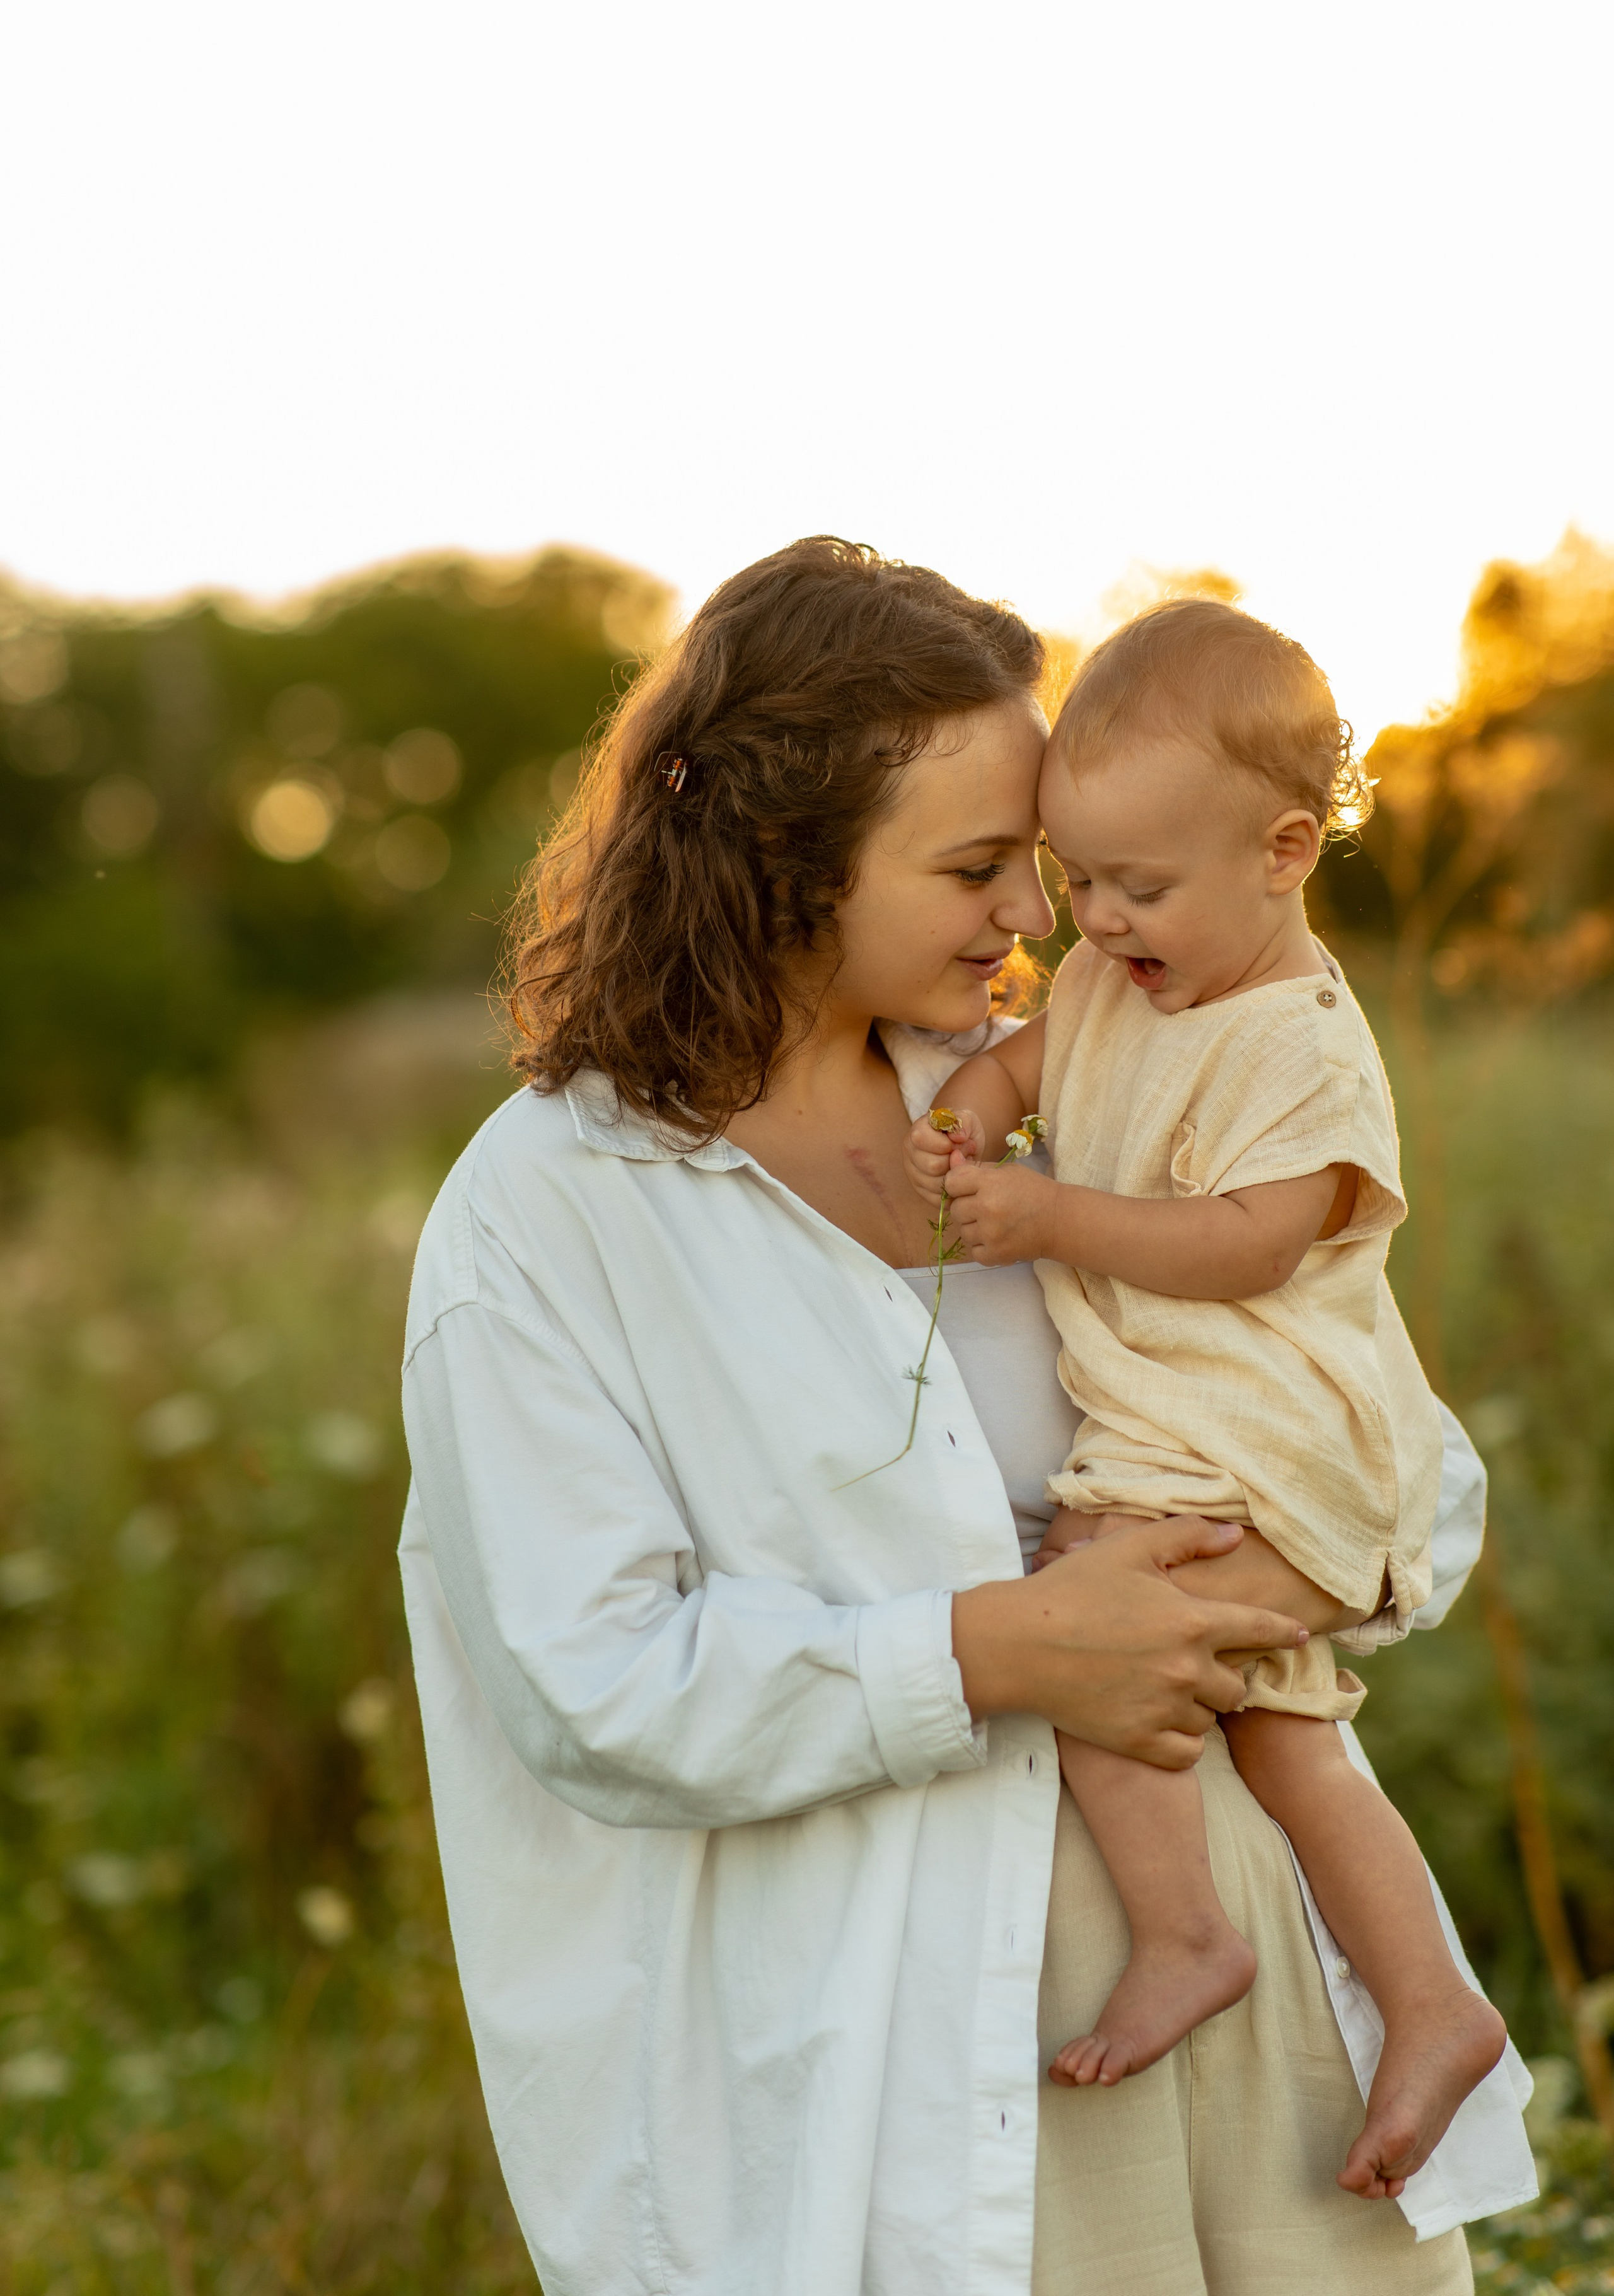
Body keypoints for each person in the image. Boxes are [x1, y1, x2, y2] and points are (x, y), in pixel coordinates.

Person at [399, 540, 1531, 2296]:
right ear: (785, 862)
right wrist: (1002, 1649)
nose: (1042, 914)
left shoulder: (1068, 1087)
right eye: (980, 865)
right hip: (931, 2060)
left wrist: (1256, 1578)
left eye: (1050, 862)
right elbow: (589, 1684)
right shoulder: (555, 1211)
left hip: (1259, 1995)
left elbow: (1407, 1463)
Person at [905, 599, 1506, 2204]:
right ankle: (1435, 2005)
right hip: (1193, 1443)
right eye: (1072, 879)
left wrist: (1047, 1219)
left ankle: (1185, 1937)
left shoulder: (1297, 1046)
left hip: (1282, 1445)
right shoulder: (1128, 974)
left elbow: (1248, 1247)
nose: (1093, 919)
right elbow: (1033, 1064)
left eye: (1137, 886)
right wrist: (972, 1108)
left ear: (1283, 851)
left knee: (1087, 1626)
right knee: (1286, 1739)